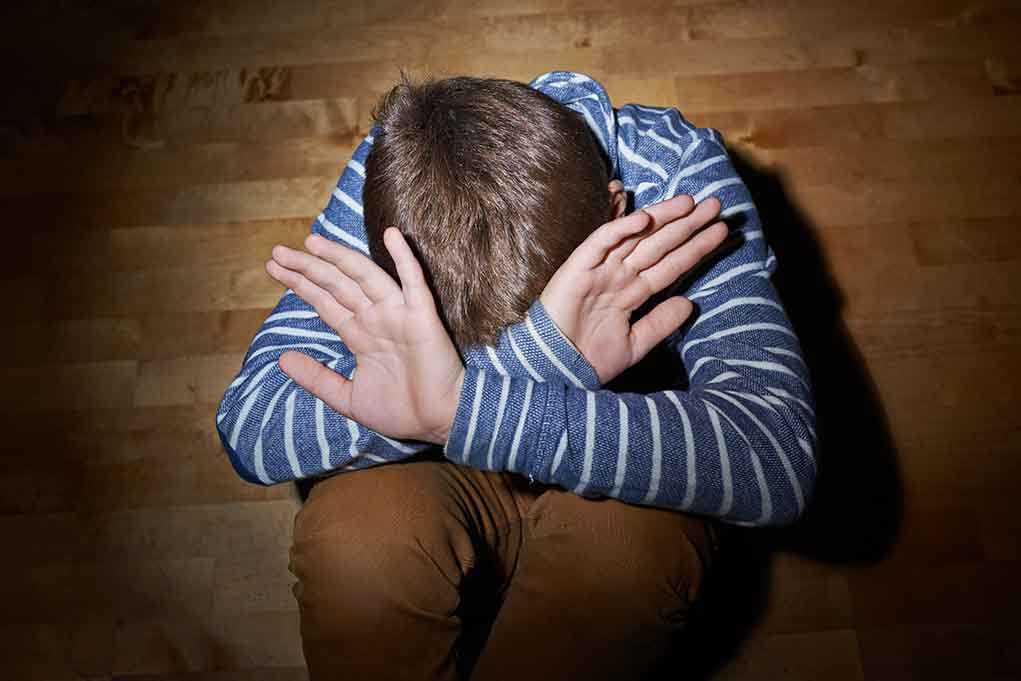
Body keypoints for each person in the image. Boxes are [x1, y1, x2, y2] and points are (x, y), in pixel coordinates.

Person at [217, 71, 817, 680]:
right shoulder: (399, 167)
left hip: (620, 476)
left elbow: (775, 459)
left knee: (629, 557)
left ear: (617, 214)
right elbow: (250, 425)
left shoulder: (673, 170)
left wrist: (454, 404)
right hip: (435, 478)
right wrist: (525, 365)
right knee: (357, 548)